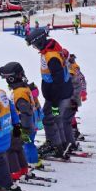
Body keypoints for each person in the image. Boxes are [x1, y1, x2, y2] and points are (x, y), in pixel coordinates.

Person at [25, 27, 73, 159]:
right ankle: (61, 144)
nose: (34, 48)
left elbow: (58, 81)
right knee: (55, 119)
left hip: (57, 97)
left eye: (34, 45)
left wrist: (55, 101)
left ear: (39, 42)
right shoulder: (48, 51)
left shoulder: (51, 57)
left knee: (49, 119)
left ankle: (55, 146)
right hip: (56, 95)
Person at [0, 62, 43, 171]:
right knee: (24, 145)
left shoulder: (19, 93)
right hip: (29, 124)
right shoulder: (24, 88)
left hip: (26, 125)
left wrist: (25, 130)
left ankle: (32, 162)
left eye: (7, 79)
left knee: (26, 144)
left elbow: (25, 112)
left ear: (11, 79)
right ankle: (28, 161)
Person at [67, 54, 87, 144]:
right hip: (65, 95)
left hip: (72, 95)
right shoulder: (65, 66)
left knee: (70, 113)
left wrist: (83, 92)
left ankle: (74, 131)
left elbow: (82, 79)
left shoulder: (73, 68)